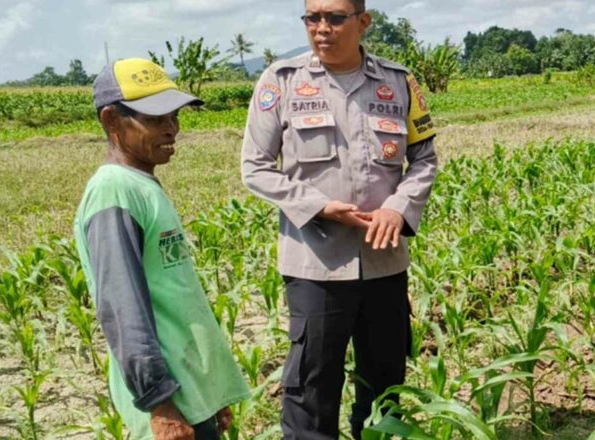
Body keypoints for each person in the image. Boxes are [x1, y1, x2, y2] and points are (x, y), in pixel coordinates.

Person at [240, 0, 438, 437]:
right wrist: (318, 207)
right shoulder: (281, 81)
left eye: (334, 18)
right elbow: (255, 167)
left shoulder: (398, 82)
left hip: (384, 263)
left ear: (363, 22)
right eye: (312, 18)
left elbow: (424, 159)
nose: (322, 28)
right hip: (316, 265)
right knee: (312, 388)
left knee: (385, 386)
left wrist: (397, 208)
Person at [74, 57, 250, 440]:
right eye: (155, 119)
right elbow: (122, 308)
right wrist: (159, 403)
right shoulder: (114, 191)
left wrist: (211, 392)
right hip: (169, 404)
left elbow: (176, 299)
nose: (172, 128)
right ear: (111, 120)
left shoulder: (139, 184)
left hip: (190, 393)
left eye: (174, 116)